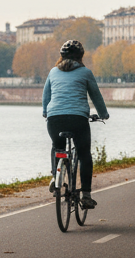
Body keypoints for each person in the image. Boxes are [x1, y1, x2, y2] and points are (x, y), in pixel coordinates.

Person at [42, 39, 111, 209]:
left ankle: (54, 177)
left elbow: (46, 97)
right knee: (84, 153)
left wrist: (46, 112)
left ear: (61, 56)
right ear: (81, 57)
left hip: (55, 119)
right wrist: (103, 114)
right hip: (77, 119)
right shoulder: (85, 72)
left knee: (57, 147)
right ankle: (86, 195)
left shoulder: (53, 72)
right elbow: (96, 96)